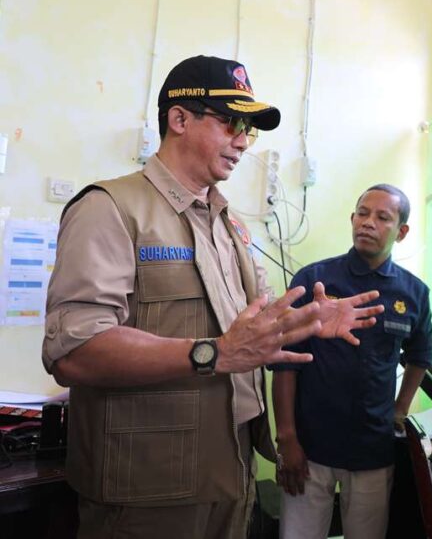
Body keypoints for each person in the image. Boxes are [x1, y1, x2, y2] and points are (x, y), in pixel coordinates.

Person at [41, 55, 384, 539]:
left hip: (231, 469)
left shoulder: (230, 224)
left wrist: (304, 321)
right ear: (179, 119)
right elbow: (73, 353)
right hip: (148, 487)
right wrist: (214, 353)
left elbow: (251, 329)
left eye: (249, 127)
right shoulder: (110, 208)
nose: (243, 140)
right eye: (230, 122)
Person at [271, 184, 432, 539]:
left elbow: (421, 354)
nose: (368, 223)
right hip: (310, 446)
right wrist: (287, 439)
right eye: (362, 213)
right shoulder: (314, 281)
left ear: (401, 231)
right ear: (352, 219)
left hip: (372, 448)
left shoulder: (414, 293)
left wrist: (400, 408)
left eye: (382, 217)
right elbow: (284, 361)